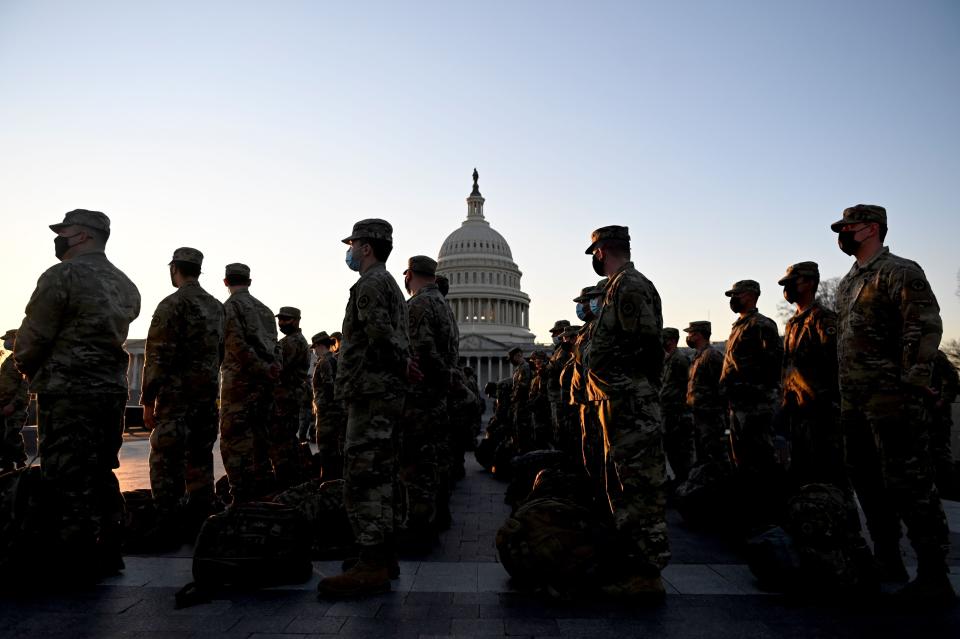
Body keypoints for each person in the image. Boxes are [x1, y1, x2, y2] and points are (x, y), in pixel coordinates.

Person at [832, 204, 954, 602]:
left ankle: (934, 574)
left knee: (910, 484)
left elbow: (924, 325)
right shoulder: (848, 282)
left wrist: (914, 382)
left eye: (847, 227)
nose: (842, 233)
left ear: (871, 229)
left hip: (893, 399)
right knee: (865, 480)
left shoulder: (901, 270)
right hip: (854, 400)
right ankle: (888, 559)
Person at [14, 209, 140, 582]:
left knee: (66, 474)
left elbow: (35, 334)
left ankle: (74, 558)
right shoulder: (124, 283)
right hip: (109, 391)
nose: (59, 238)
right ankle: (109, 548)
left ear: (83, 235)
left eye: (64, 231)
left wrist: (25, 364)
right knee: (100, 469)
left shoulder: (62, 275)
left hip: (68, 390)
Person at [318, 219, 412, 598]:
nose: (350, 251)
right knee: (383, 474)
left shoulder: (370, 284)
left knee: (363, 474)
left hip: (370, 392)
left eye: (353, 244)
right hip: (383, 392)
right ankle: (383, 555)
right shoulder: (389, 283)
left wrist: (401, 361)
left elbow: (377, 332)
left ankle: (372, 562)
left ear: (366, 248)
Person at [584, 225, 669, 599]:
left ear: (601, 252)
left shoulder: (629, 286)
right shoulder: (617, 287)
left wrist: (631, 387)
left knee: (639, 490)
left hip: (632, 403)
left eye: (594, 254)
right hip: (619, 402)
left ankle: (645, 573)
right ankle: (632, 565)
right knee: (624, 487)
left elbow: (647, 346)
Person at [141, 247, 224, 537]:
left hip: (175, 399)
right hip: (205, 398)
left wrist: (148, 400)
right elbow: (220, 353)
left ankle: (167, 522)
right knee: (200, 458)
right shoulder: (216, 307)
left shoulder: (171, 304)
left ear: (174, 268)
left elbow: (157, 356)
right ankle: (201, 520)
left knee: (166, 459)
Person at [398, 255, 457, 549]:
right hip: (437, 397)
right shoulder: (443, 304)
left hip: (421, 396)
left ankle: (420, 528)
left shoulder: (419, 304)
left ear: (409, 274)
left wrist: (432, 376)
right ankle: (439, 516)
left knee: (417, 465)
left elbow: (422, 350)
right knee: (435, 459)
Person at [777, 261, 844, 488]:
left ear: (809, 283)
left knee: (826, 474)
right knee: (802, 473)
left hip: (821, 413)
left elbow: (836, 363)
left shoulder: (823, 318)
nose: (787, 289)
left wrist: (830, 402)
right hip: (797, 411)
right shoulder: (792, 324)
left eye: (791, 282)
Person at [219, 262, 281, 503]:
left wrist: (261, 368)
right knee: (260, 438)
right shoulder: (265, 310)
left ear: (226, 282)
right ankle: (263, 493)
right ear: (249, 282)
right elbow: (276, 347)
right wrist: (272, 369)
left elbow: (236, 347)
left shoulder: (230, 307)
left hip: (239, 385)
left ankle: (242, 499)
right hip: (264, 386)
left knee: (234, 441)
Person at [719, 280, 783, 476]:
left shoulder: (761, 324)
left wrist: (759, 393)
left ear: (749, 295)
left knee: (761, 457)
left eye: (735, 295)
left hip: (756, 406)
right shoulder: (738, 326)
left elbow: (774, 364)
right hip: (738, 405)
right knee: (741, 459)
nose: (733, 300)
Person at [568, 284, 606, 501]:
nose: (583, 306)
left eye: (588, 300)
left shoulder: (600, 328)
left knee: (599, 457)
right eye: (583, 302)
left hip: (596, 402)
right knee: (589, 456)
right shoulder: (588, 330)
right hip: (587, 402)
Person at [271, 306, 310, 487]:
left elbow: (277, 368)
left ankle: (286, 483)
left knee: (282, 443)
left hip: (285, 399)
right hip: (287, 398)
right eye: (280, 319)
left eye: (286, 319)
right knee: (285, 441)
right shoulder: (292, 341)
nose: (281, 323)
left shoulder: (292, 342)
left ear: (296, 320)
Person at [682, 321, 728, 465]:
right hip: (699, 416)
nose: (688, 337)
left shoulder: (711, 355)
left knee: (715, 456)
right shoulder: (698, 356)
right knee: (703, 457)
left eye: (690, 334)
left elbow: (722, 385)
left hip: (711, 418)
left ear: (699, 335)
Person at [660, 328, 695, 483]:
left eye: (664, 338)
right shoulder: (669, 360)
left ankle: (686, 486)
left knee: (681, 455)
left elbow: (686, 387)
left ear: (672, 340)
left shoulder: (680, 360)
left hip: (679, 415)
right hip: (669, 414)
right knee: (672, 452)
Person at [310, 331, 345, 480]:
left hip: (327, 413)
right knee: (334, 446)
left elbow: (329, 385)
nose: (314, 351)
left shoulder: (324, 362)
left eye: (314, 348)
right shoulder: (335, 360)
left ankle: (328, 479)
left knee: (325, 447)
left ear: (319, 346)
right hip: (334, 410)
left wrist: (327, 406)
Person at [928, 350, 959, 497]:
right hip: (922, 413)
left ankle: (949, 491)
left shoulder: (936, 355)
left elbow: (952, 378)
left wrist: (942, 401)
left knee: (940, 454)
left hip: (937, 416)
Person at [0, 329, 28, 471]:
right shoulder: (9, 359)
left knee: (11, 437)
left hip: (15, 406)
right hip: (3, 405)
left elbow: (25, 387)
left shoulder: (23, 358)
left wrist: (13, 404)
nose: (5, 343)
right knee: (3, 439)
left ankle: (21, 464)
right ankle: (7, 467)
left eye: (8, 339)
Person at [508, 347, 534, 453]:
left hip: (522, 402)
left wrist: (514, 397)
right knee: (516, 429)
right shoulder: (519, 368)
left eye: (512, 358)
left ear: (518, 355)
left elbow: (523, 386)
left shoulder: (525, 367)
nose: (511, 361)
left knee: (521, 429)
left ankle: (523, 451)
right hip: (517, 402)